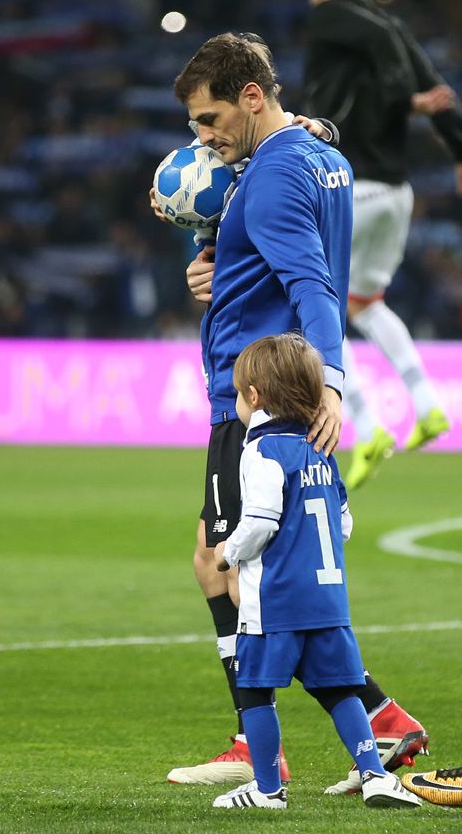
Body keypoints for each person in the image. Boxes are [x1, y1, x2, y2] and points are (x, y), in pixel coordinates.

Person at [162, 32, 428, 791]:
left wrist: (331, 383)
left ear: (251, 96)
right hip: (274, 381)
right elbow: (281, 256)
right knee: (244, 565)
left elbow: (312, 283)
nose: (202, 138)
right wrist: (217, 270)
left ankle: (262, 746)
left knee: (224, 563)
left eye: (209, 119)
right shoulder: (321, 156)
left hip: (256, 393)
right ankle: (378, 721)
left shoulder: (274, 174)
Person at [211, 333, 421, 810]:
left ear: (254, 396)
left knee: (254, 690)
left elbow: (261, 520)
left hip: (277, 599)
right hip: (328, 601)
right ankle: (373, 776)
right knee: (341, 687)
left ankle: (267, 790)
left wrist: (230, 553)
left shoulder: (262, 450)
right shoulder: (320, 449)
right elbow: (342, 522)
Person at [304, 0, 462, 489]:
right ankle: (427, 405)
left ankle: (367, 427)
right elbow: (415, 69)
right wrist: (456, 143)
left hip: (353, 187)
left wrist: (405, 99)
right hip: (398, 194)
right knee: (365, 303)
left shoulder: (336, 21)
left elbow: (389, 68)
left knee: (317, 309)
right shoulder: (383, 41)